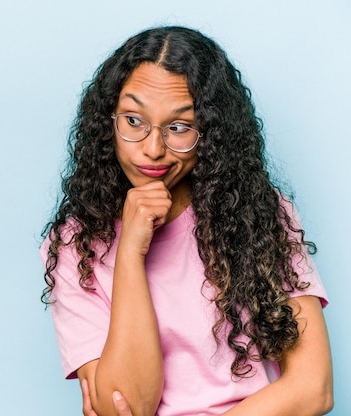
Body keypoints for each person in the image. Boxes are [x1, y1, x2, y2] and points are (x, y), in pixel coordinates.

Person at [40, 26, 333, 416]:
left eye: (179, 127)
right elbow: (125, 407)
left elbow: (314, 389)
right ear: (107, 122)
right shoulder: (73, 245)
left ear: (209, 132)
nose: (152, 149)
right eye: (132, 120)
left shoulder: (261, 212)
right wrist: (130, 253)